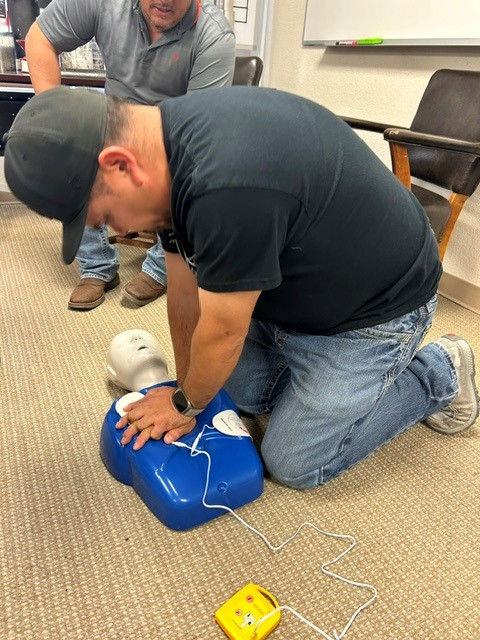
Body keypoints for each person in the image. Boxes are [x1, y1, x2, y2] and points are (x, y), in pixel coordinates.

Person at [4, 86, 479, 489]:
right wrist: (185, 397)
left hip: (373, 313)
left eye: (106, 216)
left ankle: (439, 371)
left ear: (120, 165)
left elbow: (225, 331)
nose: (118, 229)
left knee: (294, 463)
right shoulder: (163, 152)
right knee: (240, 398)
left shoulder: (227, 183)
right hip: (287, 292)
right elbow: (185, 294)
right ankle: (315, 385)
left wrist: (184, 402)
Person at [25, 0, 235, 310]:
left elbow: (197, 131)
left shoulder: (214, 35)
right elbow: (40, 37)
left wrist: (150, 159)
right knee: (70, 153)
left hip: (172, 131)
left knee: (195, 170)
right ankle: (96, 266)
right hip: (115, 121)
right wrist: (55, 116)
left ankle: (161, 266)